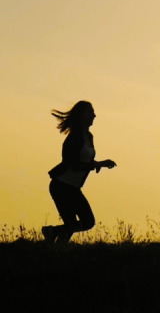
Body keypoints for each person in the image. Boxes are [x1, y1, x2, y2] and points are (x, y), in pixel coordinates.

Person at [41, 101, 116, 243]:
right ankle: (56, 249)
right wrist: (96, 164)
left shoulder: (89, 137)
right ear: (81, 116)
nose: (94, 115)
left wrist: (96, 164)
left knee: (88, 222)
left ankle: (52, 233)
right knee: (70, 225)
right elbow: (74, 165)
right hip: (61, 186)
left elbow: (85, 162)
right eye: (90, 112)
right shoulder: (75, 137)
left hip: (74, 188)